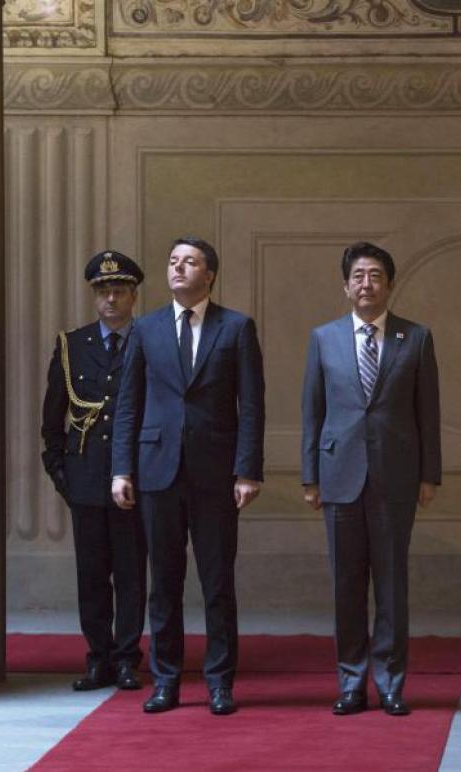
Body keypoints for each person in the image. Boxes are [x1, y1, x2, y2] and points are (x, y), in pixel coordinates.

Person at [111, 236, 265, 716]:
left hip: (216, 475)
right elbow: (128, 404)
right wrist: (121, 469)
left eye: (190, 262)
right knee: (164, 584)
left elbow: (251, 406)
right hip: (157, 472)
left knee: (217, 583)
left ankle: (220, 683)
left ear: (209, 274)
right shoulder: (146, 329)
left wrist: (247, 470)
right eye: (173, 261)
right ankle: (166, 681)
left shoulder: (236, 328)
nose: (178, 268)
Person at [301, 241, 441, 717]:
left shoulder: (415, 338)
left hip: (396, 477)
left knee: (392, 587)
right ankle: (351, 683)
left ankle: (391, 683)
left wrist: (429, 475)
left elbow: (428, 413)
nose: (366, 283)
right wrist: (310, 477)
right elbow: (312, 411)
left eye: (375, 275)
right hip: (338, 476)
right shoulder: (324, 338)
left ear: (390, 284)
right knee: (346, 586)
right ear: (346, 286)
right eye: (358, 276)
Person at [41, 250, 148, 692]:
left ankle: (127, 658)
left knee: (130, 573)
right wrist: (60, 472)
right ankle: (98, 658)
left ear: (133, 296)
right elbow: (53, 418)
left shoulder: (148, 340)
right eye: (103, 291)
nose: (110, 299)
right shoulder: (73, 345)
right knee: (91, 575)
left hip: (133, 478)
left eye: (119, 291)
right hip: (84, 477)